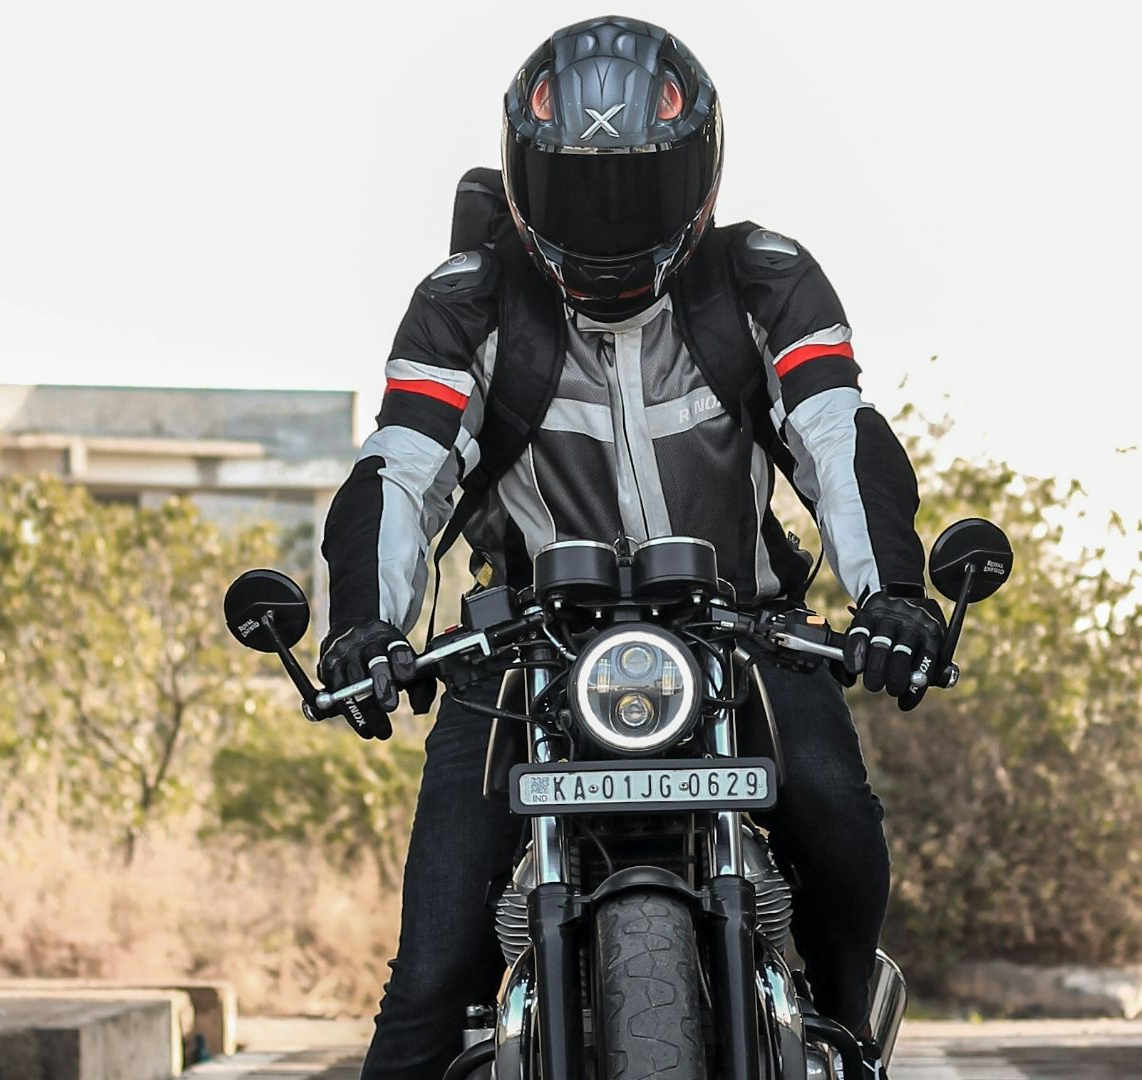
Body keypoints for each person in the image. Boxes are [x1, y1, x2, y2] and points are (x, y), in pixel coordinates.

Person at [316, 17, 946, 1080]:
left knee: (839, 825)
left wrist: (894, 597)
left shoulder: (766, 281)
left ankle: (845, 1035)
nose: (608, 218)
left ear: (697, 172)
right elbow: (405, 470)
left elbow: (837, 439)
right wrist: (364, 628)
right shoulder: (464, 303)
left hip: (744, 632)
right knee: (426, 985)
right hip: (522, 655)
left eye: (636, 186)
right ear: (522, 179)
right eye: (577, 189)